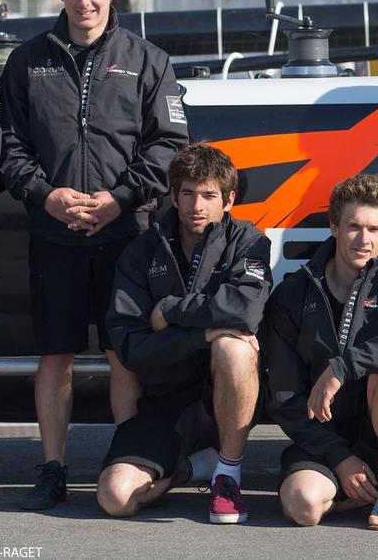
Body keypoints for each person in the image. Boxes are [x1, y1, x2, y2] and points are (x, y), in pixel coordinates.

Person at [0, 0, 189, 510]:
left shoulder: (148, 60)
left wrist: (120, 198)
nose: (84, 0)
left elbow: (169, 146)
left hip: (127, 235)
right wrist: (45, 195)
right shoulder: (28, 62)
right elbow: (8, 147)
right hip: (53, 232)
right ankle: (52, 466)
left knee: (122, 354)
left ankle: (124, 457)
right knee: (55, 355)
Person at [98, 143, 271, 523]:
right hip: (166, 399)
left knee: (234, 346)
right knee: (116, 498)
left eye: (209, 195)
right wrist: (200, 335)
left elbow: (244, 310)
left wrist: (171, 310)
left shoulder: (249, 241)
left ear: (228, 200)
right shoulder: (141, 252)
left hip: (222, 396)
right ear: (173, 196)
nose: (197, 205)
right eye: (189, 193)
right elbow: (131, 347)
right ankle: (193, 469)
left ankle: (227, 475)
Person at [261, 174, 378, 530]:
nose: (364, 239)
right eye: (354, 226)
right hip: (322, 440)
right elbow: (284, 396)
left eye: (374, 229)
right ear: (333, 226)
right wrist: (339, 458)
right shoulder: (293, 293)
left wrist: (345, 366)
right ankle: (354, 490)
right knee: (303, 506)